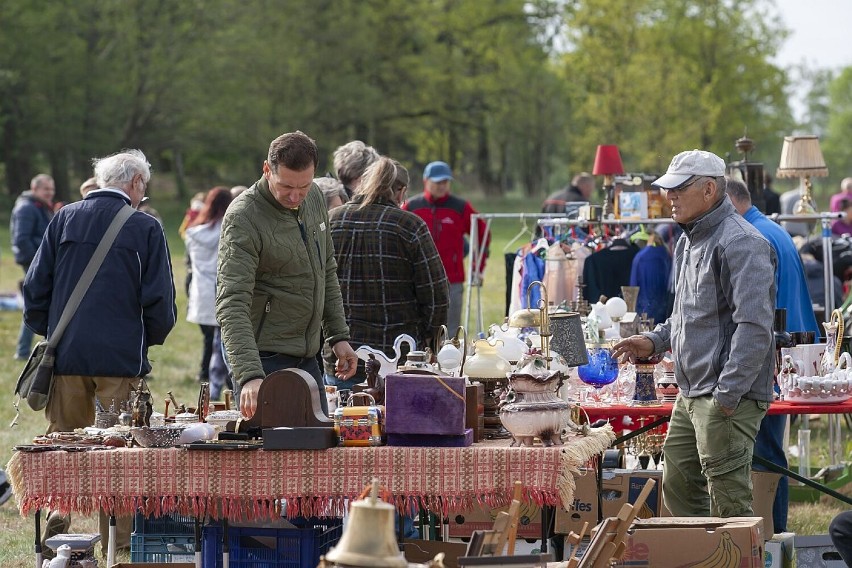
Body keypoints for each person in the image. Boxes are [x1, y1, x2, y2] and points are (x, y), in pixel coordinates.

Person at [23, 149, 177, 555]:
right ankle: (118, 541)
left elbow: (36, 285)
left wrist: (52, 330)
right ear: (136, 184)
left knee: (65, 442)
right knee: (121, 451)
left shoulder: (64, 217)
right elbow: (160, 299)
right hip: (120, 358)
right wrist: (147, 341)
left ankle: (60, 510)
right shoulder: (146, 226)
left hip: (68, 354)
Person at [612, 150, 776, 519]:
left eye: (677, 189)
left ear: (708, 189)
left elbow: (754, 329)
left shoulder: (742, 242)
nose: (669, 196)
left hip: (724, 394)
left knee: (730, 507)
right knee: (679, 485)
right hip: (695, 391)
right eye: (667, 188)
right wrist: (653, 340)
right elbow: (687, 315)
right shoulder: (688, 240)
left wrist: (727, 397)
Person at [216, 131, 358, 419]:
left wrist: (338, 336)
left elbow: (325, 268)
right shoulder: (243, 217)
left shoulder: (316, 197)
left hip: (309, 355)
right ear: (267, 170)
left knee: (318, 451)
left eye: (303, 187)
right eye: (285, 186)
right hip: (263, 357)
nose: (294, 196)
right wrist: (249, 375)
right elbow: (231, 302)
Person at [726, 177, 819, 533]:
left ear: (732, 203)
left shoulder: (754, 236)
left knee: (762, 450)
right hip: (785, 350)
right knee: (766, 447)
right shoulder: (771, 230)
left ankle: (771, 535)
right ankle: (771, 534)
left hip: (772, 355)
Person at [327, 156, 449, 390]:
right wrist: (430, 342)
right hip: (398, 355)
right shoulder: (410, 226)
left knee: (345, 423)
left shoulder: (332, 220)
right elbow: (436, 295)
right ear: (401, 192)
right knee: (399, 424)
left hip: (340, 352)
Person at [403, 160, 489, 331]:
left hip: (453, 280)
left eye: (445, 182)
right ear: (425, 181)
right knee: (417, 326)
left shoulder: (461, 207)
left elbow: (482, 234)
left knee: (450, 331)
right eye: (437, 182)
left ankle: (450, 358)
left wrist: (476, 267)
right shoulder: (412, 207)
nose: (442, 186)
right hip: (417, 279)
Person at [185, 187, 233, 399]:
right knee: (223, 343)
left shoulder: (195, 231)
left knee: (210, 340)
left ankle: (206, 375)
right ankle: (223, 383)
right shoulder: (227, 229)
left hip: (200, 291)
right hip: (221, 289)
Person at [11, 174, 55, 360]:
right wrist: (39, 261)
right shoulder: (27, 208)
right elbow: (21, 240)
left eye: (52, 189)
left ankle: (40, 348)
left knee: (41, 303)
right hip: (34, 263)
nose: (50, 193)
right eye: (46, 189)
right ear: (34, 188)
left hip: (40, 262)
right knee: (35, 304)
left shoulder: (41, 207)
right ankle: (22, 352)